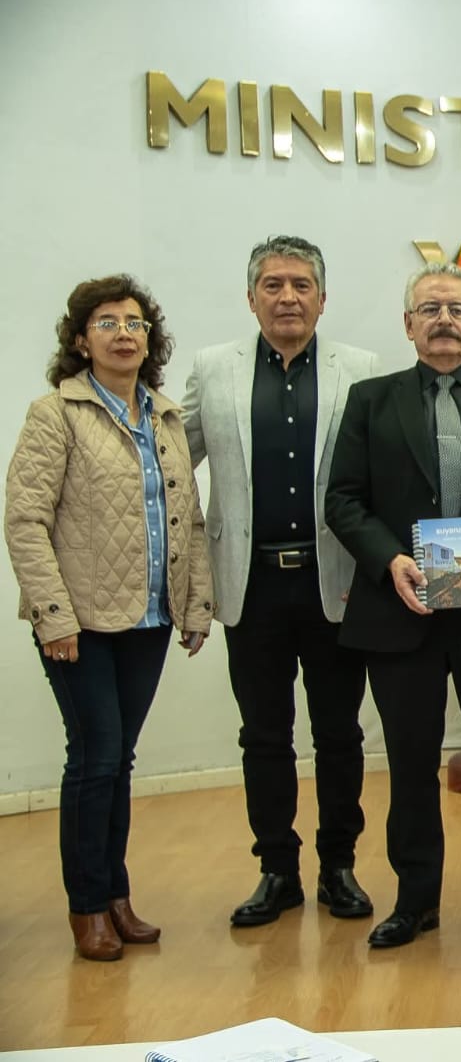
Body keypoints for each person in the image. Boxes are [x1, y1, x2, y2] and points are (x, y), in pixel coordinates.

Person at [325, 261, 461, 949]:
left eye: (457, 310)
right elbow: (343, 499)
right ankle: (416, 900)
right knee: (410, 766)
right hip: (403, 611)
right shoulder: (371, 400)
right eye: (430, 309)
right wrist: (389, 559)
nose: (444, 320)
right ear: (408, 325)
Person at [5, 275, 214, 961]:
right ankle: (88, 906)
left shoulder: (165, 417)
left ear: (149, 340)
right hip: (81, 623)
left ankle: (117, 896)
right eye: (106, 323)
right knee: (94, 758)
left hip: (149, 617)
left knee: (118, 759)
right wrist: (53, 616)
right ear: (79, 340)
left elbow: (188, 519)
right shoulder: (56, 414)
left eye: (134, 323)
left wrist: (195, 605)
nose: (123, 334)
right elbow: (25, 521)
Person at [183, 235, 380, 928]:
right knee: (264, 736)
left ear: (323, 299)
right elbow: (173, 462)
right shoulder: (213, 370)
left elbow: (381, 475)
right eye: (273, 285)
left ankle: (339, 867)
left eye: (301, 285)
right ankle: (276, 870)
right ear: (251, 298)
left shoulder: (362, 369)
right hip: (251, 586)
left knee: (340, 735)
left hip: (336, 587)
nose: (288, 297)